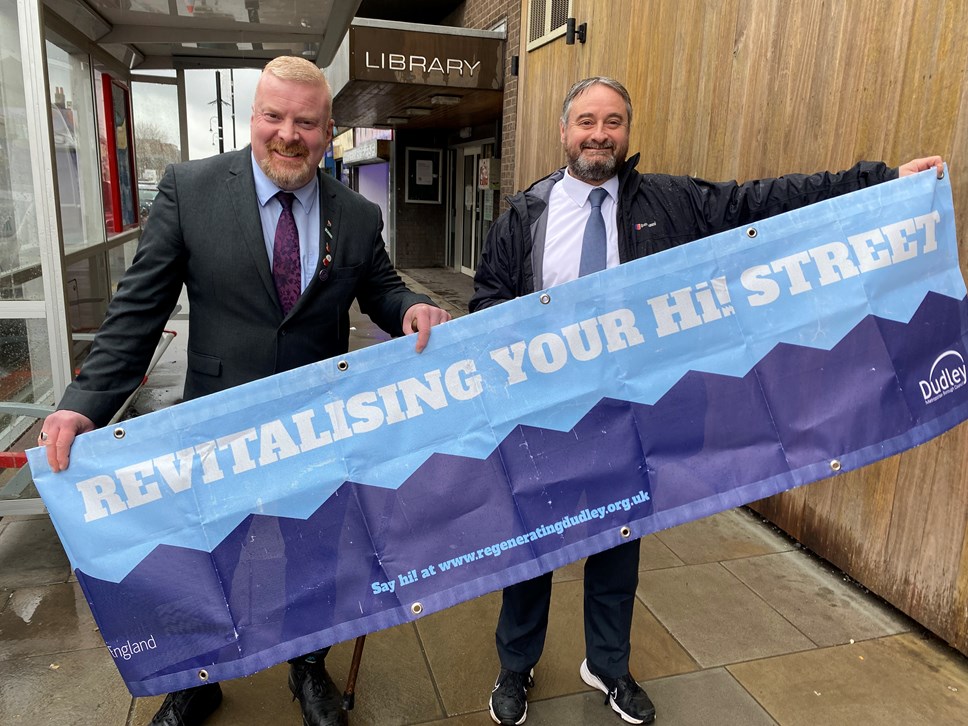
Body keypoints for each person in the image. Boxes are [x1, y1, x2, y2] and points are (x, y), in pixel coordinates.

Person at [470, 76, 944, 726]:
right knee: (532, 551)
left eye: (613, 122)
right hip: (544, 421)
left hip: (628, 417)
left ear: (627, 132)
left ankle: (607, 666)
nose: (599, 134)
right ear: (563, 131)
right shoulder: (524, 215)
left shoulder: (668, 203)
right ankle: (514, 667)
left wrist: (881, 181)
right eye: (586, 121)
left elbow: (766, 200)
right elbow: (485, 304)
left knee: (618, 547)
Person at [38, 56, 451, 726]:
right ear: (255, 117)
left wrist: (411, 305)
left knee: (314, 556)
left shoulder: (353, 213)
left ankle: (308, 668)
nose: (288, 133)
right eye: (274, 116)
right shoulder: (190, 190)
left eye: (305, 122)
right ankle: (200, 677)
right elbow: (138, 311)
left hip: (316, 432)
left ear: (327, 130)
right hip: (215, 429)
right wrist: (81, 406)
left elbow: (379, 286)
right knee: (210, 561)